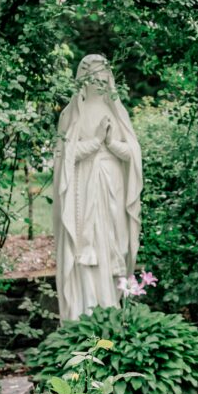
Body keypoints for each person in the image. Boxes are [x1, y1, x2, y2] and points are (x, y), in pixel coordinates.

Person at [53, 54, 142, 321]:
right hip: (84, 187)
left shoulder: (117, 111)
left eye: (102, 77)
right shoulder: (72, 113)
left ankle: (111, 307)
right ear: (83, 80)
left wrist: (112, 143)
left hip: (113, 187)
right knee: (84, 248)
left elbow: (132, 154)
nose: (98, 83)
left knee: (114, 243)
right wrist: (94, 142)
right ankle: (85, 310)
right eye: (92, 78)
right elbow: (64, 155)